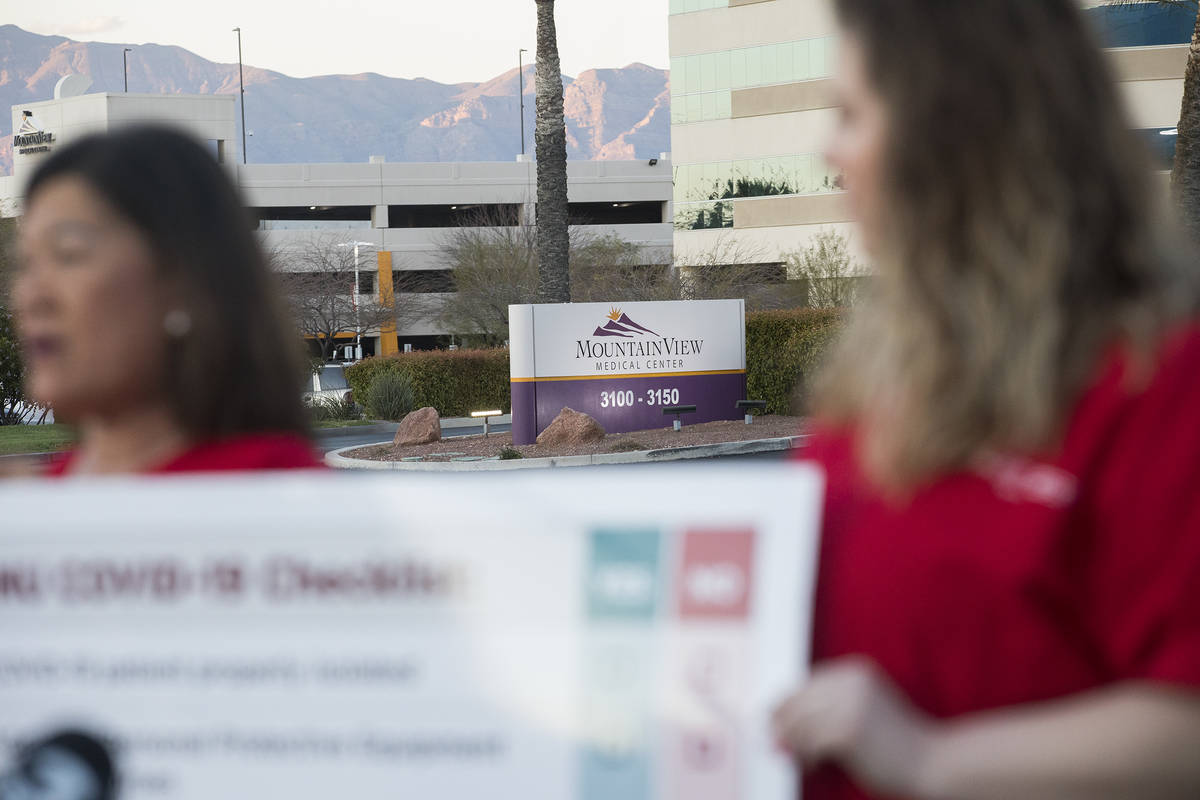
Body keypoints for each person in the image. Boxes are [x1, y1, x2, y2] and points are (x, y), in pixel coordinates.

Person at [772, 1, 1200, 798]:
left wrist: (932, 760)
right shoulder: (875, 382)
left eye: (853, 115)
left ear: (959, 134)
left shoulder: (1156, 380)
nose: (830, 151)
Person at [11, 126, 322, 474]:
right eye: (26, 264)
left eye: (68, 254)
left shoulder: (276, 494)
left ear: (181, 279)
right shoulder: (40, 495)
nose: (29, 296)